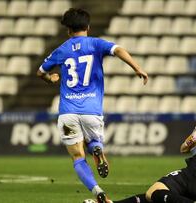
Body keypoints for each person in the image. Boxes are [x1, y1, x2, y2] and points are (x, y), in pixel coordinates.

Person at [36, 8, 148, 203]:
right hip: (92, 110)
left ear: (68, 30)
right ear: (88, 26)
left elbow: (40, 72)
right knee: (93, 142)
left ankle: (98, 192)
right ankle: (96, 147)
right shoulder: (96, 43)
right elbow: (119, 49)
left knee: (78, 157)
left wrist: (51, 78)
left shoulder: (61, 50)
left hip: (67, 113)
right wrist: (137, 68)